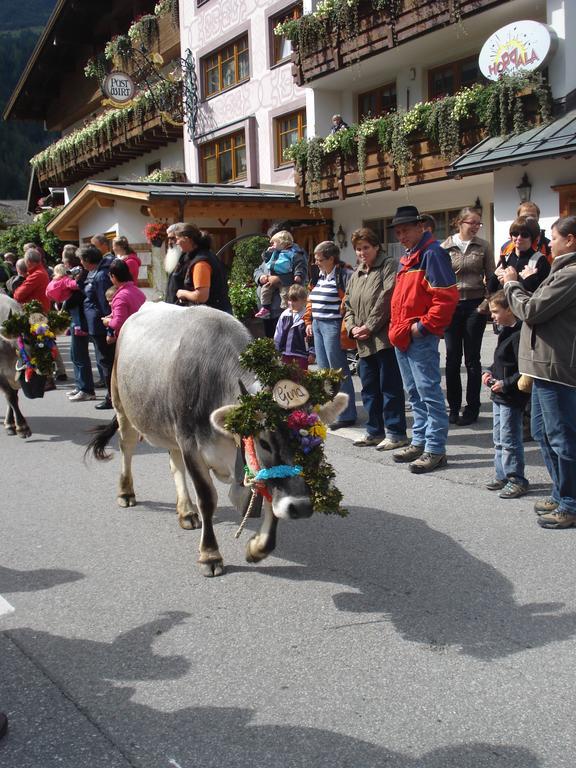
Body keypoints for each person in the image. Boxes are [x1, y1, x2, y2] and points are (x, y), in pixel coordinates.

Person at [503, 215, 576, 529]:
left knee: (562, 439)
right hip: (543, 367)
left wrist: (512, 285)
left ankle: (571, 503)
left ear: (571, 239)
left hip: (556, 368)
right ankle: (561, 493)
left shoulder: (571, 273)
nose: (550, 243)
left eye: (556, 238)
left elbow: (531, 310)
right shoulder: (561, 268)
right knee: (545, 435)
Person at [388, 205, 459, 474]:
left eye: (405, 229)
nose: (401, 235)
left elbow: (446, 299)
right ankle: (420, 441)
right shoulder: (411, 256)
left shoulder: (433, 254)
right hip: (404, 337)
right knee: (415, 394)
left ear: (421, 227)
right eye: (397, 231)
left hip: (418, 337)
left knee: (429, 395)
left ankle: (435, 449)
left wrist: (423, 327)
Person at [344, 227, 408, 450]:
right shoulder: (357, 272)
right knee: (369, 387)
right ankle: (374, 431)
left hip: (383, 338)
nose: (362, 253)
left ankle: (397, 432)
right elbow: (348, 303)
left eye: (366, 248)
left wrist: (369, 327)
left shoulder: (389, 265)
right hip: (362, 340)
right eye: (358, 249)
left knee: (389, 387)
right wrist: (352, 328)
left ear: (376, 246)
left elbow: (387, 297)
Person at [442, 206, 493, 426]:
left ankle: (472, 408)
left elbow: (492, 278)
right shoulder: (445, 247)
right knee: (452, 358)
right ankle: (453, 407)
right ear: (460, 223)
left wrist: (485, 304)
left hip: (475, 305)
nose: (476, 227)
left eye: (478, 223)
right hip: (452, 306)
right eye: (472, 223)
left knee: (472, 359)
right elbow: (438, 279)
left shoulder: (484, 246)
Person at [304, 240, 357, 428]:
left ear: (331, 259)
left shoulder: (344, 274)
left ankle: (347, 414)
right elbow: (311, 300)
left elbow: (351, 301)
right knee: (324, 372)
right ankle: (330, 412)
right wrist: (309, 321)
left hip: (333, 325)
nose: (316, 262)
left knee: (338, 371)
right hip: (318, 324)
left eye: (319, 259)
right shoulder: (319, 275)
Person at [482, 290, 530, 498]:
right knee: (498, 437)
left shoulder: (520, 333)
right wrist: (489, 372)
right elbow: (500, 360)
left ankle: (516, 479)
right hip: (499, 394)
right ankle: (502, 474)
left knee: (510, 438)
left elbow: (523, 369)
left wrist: (506, 383)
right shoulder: (504, 330)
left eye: (495, 311)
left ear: (510, 310)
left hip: (511, 396)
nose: (492, 316)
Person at [166, 223, 232, 313]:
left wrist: (182, 293)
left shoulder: (201, 262)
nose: (176, 243)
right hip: (215, 313)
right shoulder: (201, 255)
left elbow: (201, 296)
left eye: (177, 239)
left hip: (213, 316)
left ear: (187, 239)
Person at [79, 244, 115, 409]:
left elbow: (105, 305)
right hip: (96, 325)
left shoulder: (101, 276)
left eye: (81, 259)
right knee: (104, 361)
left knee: (106, 362)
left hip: (101, 327)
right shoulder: (95, 272)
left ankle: (111, 398)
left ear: (87, 260)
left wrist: (109, 328)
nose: (80, 262)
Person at [61, 248, 96, 402]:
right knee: (74, 355)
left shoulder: (82, 274)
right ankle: (80, 385)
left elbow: (80, 295)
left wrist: (64, 304)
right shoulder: (78, 273)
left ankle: (86, 389)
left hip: (81, 320)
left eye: (64, 260)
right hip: (76, 319)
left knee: (80, 355)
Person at [488, 216, 550, 295]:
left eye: (524, 235)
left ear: (533, 238)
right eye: (515, 234)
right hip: (504, 305)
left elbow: (543, 294)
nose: (519, 238)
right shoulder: (506, 258)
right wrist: (495, 277)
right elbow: (491, 289)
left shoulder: (541, 261)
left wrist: (528, 280)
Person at [254, 231, 307, 319]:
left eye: (274, 241)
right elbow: (259, 269)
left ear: (283, 241)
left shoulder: (296, 253)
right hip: (268, 310)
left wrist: (279, 278)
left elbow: (301, 274)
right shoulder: (275, 252)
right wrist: (260, 277)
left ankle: (287, 311)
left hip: (281, 310)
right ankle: (265, 309)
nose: (271, 244)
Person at [102, 258, 146, 341]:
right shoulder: (137, 291)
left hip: (128, 338)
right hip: (140, 333)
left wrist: (107, 321)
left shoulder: (120, 296)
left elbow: (118, 323)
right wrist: (113, 315)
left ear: (113, 276)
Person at [273, 283, 313, 371]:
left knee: (300, 378)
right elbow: (278, 333)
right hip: (285, 354)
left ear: (304, 300)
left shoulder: (307, 316)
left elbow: (311, 336)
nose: (291, 303)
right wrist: (275, 349)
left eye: (294, 300)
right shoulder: (284, 315)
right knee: (286, 379)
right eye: (290, 300)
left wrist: (312, 353)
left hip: (301, 354)